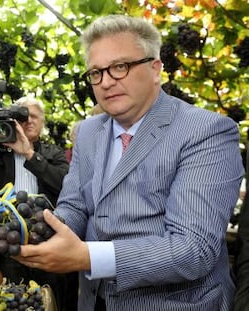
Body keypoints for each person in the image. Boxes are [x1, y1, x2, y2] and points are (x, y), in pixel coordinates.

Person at [14, 14, 244, 311]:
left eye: (119, 67)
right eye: (96, 73)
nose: (106, 82)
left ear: (155, 69)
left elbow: (194, 249)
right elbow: (74, 205)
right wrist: (45, 232)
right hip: (93, 300)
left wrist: (87, 257)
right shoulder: (87, 132)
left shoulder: (206, 131)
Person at [0, 96, 77, 311]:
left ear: (43, 123)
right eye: (22, 116)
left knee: (54, 300)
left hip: (48, 240)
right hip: (7, 243)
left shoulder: (52, 152)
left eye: (34, 116)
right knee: (14, 301)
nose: (28, 120)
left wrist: (29, 154)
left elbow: (66, 186)